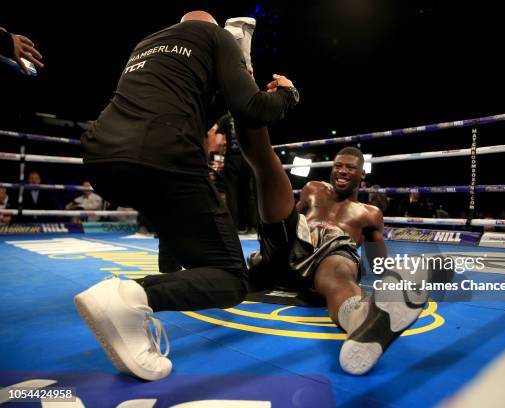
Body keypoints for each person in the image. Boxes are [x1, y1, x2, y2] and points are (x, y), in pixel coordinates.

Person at [74, 10, 299, 381]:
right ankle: (131, 297)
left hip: (101, 157)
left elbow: (196, 106)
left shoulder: (146, 43)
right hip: (161, 153)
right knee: (231, 279)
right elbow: (252, 108)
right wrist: (288, 95)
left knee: (169, 203)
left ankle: (153, 291)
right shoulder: (216, 37)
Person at [237, 123, 428, 375]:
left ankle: (362, 321)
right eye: (338, 165)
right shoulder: (312, 189)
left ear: (362, 175)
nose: (342, 171)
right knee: (276, 209)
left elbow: (378, 263)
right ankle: (257, 135)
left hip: (331, 258)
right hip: (291, 249)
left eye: (350, 168)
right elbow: (288, 220)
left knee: (338, 267)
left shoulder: (370, 214)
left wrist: (393, 281)